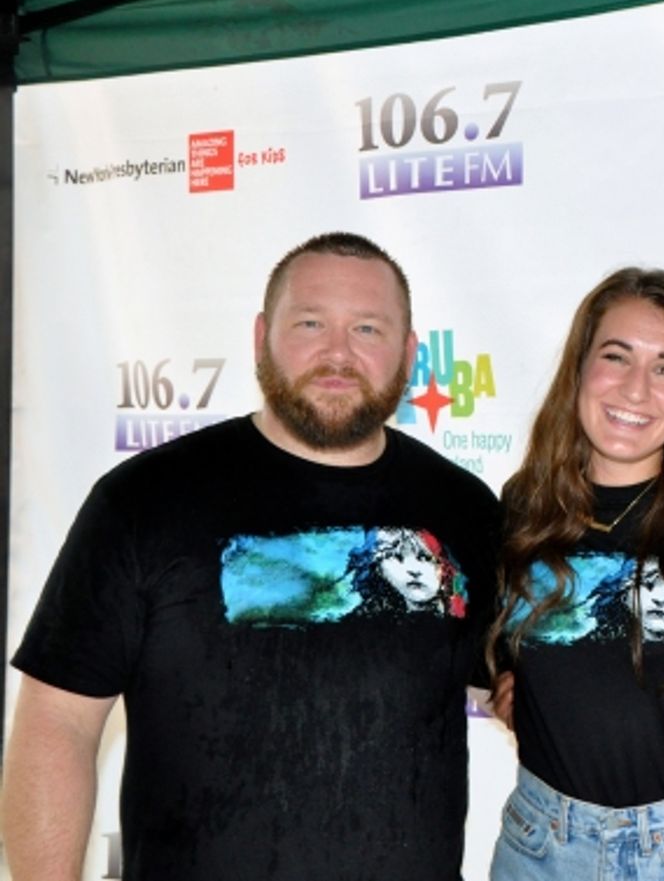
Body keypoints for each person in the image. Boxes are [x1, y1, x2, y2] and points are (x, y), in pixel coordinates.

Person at [1, 233, 500, 880]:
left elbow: (529, 685)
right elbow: (58, 721)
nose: (338, 352)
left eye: (368, 328)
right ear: (263, 334)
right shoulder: (144, 500)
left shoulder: (464, 509)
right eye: (310, 322)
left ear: (408, 353)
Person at [486, 268, 664, 881]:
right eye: (617, 357)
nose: (636, 390)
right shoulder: (524, 504)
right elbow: (499, 652)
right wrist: (521, 689)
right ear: (580, 368)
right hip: (539, 845)